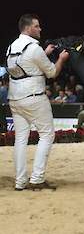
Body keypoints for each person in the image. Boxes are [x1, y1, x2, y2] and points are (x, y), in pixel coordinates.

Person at [6, 13, 69, 191]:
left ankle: (20, 182)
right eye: (37, 26)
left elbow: (26, 64)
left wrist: (44, 53)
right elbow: (51, 73)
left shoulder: (11, 47)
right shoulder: (34, 49)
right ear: (28, 28)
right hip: (33, 97)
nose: (40, 29)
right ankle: (37, 179)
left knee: (20, 140)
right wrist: (61, 60)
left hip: (15, 97)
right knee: (47, 134)